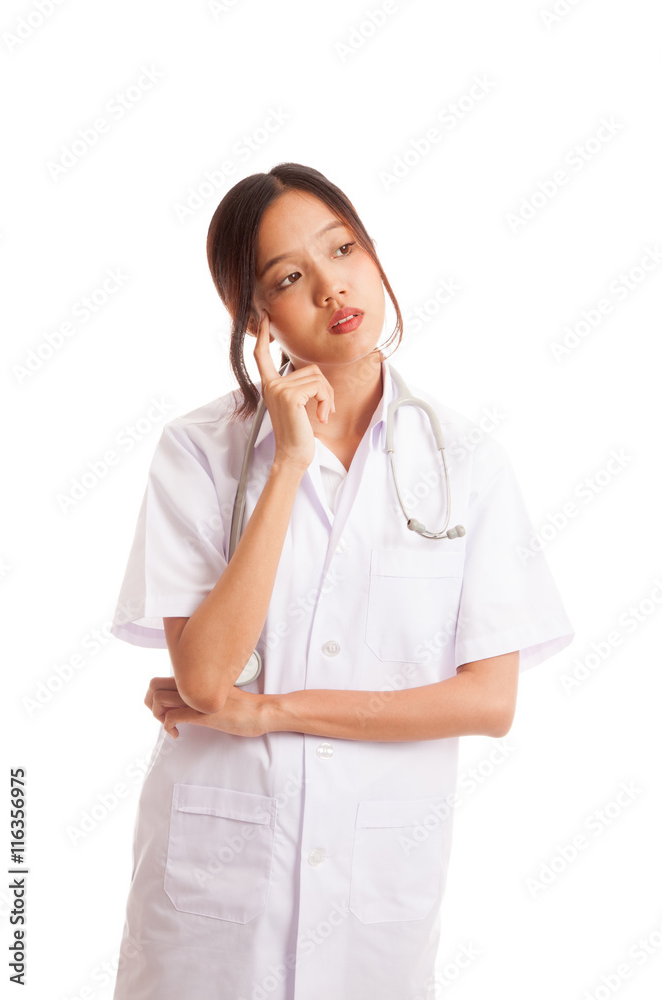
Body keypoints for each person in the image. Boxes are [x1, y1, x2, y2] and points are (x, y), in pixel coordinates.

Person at [108, 162, 575, 1000]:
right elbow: (206, 681)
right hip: (217, 910)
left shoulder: (463, 461)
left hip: (372, 904)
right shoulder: (199, 453)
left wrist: (272, 711)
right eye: (290, 278)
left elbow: (486, 703)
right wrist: (287, 462)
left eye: (343, 249)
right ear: (255, 316)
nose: (333, 287)